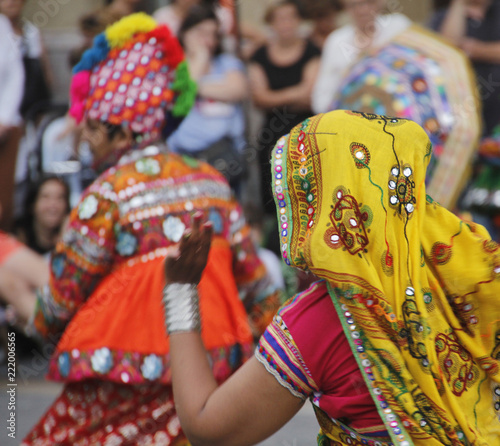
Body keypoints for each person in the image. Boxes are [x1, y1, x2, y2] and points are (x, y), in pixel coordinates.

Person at [2, 13, 280, 445]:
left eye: (93, 127)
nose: (85, 139)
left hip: (122, 382)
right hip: (210, 379)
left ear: (124, 131)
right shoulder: (212, 182)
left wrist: (32, 316)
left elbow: (58, 302)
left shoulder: (108, 194)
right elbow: (259, 290)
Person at [162, 109, 500, 445]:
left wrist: (181, 289)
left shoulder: (323, 319)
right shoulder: (471, 265)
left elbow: (208, 429)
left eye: (298, 194)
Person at [249, 0, 321, 244]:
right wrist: (295, 94)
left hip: (305, 135)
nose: (286, 24)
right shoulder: (260, 55)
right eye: (280, 18)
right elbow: (259, 98)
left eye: (291, 18)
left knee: (306, 194)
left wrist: (276, 98)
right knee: (274, 197)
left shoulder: (312, 50)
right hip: (271, 136)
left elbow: (311, 94)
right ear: (271, 23)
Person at [167, 5, 249, 191]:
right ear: (185, 33)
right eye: (202, 33)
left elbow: (236, 90)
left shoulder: (227, 63)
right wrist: (200, 59)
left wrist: (194, 87)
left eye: (213, 35)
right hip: (182, 159)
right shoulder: (172, 67)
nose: (209, 41)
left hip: (224, 158)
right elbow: (180, 99)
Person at [312, 0, 411, 114]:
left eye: (368, 2)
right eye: (354, 5)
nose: (362, 10)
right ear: (346, 8)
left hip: (399, 113)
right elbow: (323, 93)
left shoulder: (398, 26)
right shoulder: (336, 41)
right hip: (352, 116)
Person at [430, 0, 500, 136]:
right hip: (460, 111)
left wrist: (476, 50)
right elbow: (446, 48)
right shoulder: (444, 15)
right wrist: (459, 5)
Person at [0, 8, 24, 232]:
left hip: (3, 129)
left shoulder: (3, 26)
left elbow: (15, 75)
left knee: (3, 203)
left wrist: (4, 118)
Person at [15, 175, 70, 257]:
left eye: (60, 198)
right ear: (32, 204)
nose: (53, 204)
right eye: (46, 197)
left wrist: (66, 240)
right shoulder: (17, 240)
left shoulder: (71, 238)